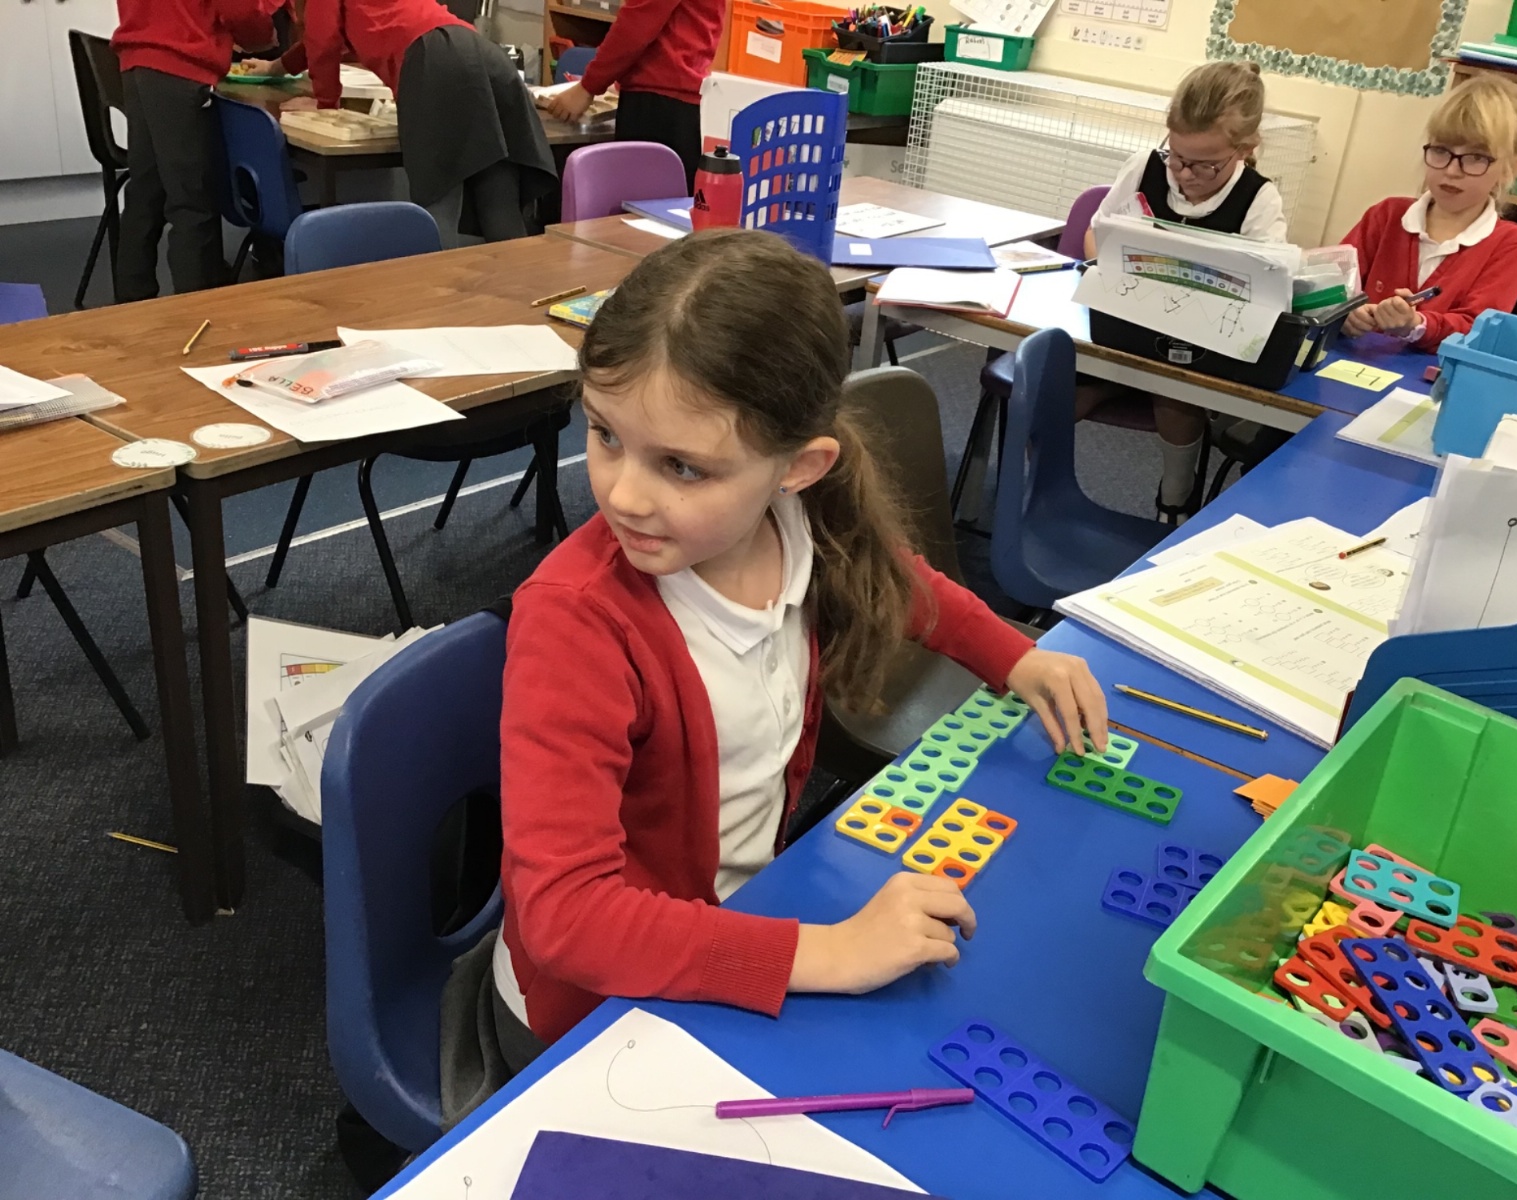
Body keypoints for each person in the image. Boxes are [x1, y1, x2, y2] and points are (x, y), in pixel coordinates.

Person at [477, 229, 1110, 1084]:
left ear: (800, 468)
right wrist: (829, 952)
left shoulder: (793, 520)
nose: (625, 494)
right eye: (604, 434)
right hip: (590, 1011)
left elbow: (898, 581)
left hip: (734, 918)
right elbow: (568, 920)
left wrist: (1014, 656)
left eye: (682, 467)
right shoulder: (578, 623)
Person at [1084, 61, 1287, 524]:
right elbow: (1096, 236)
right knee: (1050, 381)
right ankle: (1038, 492)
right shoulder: (1145, 167)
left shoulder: (1259, 200)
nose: (1185, 174)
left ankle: (1174, 499)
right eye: (1176, 157)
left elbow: (1263, 291)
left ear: (1245, 149)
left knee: (1175, 391)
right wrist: (1109, 271)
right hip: (1123, 325)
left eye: (1205, 164)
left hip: (1197, 343)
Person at [247, 0, 556, 241]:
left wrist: (325, 104)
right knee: (498, 199)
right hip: (481, 53)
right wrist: (277, 67)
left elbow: (323, 39)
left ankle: (436, 296)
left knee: (438, 205)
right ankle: (518, 297)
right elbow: (320, 39)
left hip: (435, 60)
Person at [1341, 75, 1517, 352]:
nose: (1452, 170)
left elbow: (1476, 329)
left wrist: (1416, 324)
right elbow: (1330, 283)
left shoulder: (1509, 243)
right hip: (1351, 364)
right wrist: (1344, 312)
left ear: (1511, 170)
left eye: (1476, 158)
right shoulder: (1386, 215)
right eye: (1441, 151)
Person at [111, 0, 280, 302]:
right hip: (181, 65)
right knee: (191, 202)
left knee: (145, 194)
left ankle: (130, 306)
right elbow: (240, 8)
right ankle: (197, 313)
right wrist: (262, 35)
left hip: (137, 61)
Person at [540, 0, 723, 188]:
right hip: (681, 102)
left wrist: (587, 87)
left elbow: (636, 25)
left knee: (641, 199)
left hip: (659, 106)